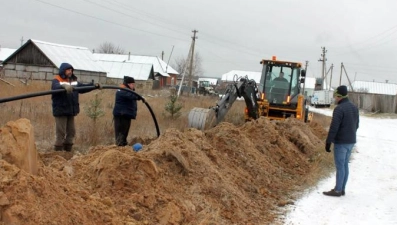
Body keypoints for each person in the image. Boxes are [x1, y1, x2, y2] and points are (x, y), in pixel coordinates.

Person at [51, 62, 100, 151]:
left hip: (70, 110)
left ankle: (68, 151)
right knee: (61, 133)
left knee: (71, 132)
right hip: (61, 110)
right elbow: (55, 87)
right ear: (63, 71)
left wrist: (94, 86)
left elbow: (83, 87)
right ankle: (57, 153)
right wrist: (63, 86)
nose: (70, 72)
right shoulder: (57, 80)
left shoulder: (73, 81)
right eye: (68, 70)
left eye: (71, 70)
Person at [323, 85, 359, 197]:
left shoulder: (339, 109)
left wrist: (328, 142)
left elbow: (334, 127)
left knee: (340, 166)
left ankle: (337, 190)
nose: (335, 98)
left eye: (335, 96)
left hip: (341, 142)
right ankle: (342, 188)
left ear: (339, 96)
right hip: (351, 141)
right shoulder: (354, 107)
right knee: (344, 165)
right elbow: (357, 125)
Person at [113, 76, 142, 146]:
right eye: (133, 84)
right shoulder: (122, 90)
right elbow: (132, 96)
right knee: (120, 135)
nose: (134, 86)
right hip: (121, 116)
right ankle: (119, 149)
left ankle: (123, 147)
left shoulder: (127, 90)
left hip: (126, 115)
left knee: (124, 134)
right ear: (128, 84)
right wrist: (140, 97)